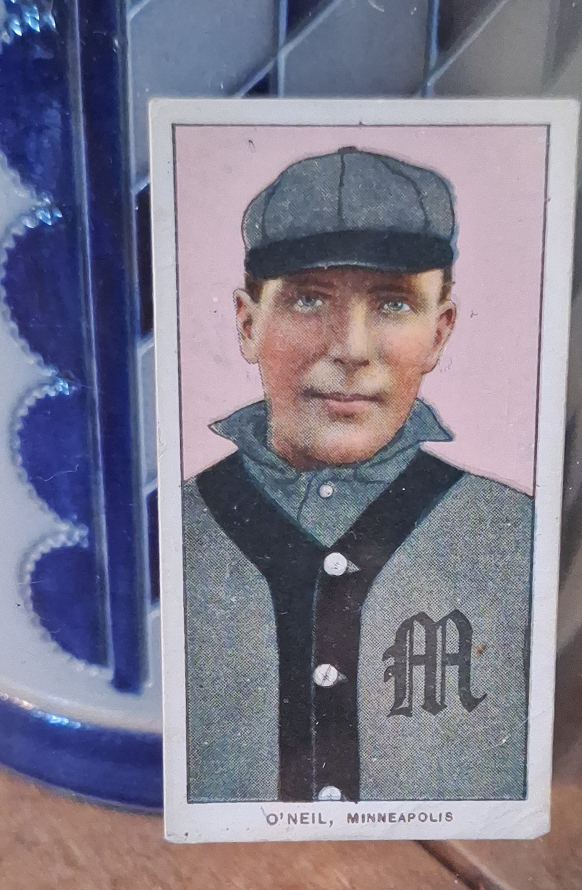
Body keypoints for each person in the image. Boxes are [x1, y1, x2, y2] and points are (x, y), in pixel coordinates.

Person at [182, 147, 533, 803]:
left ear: (439, 332)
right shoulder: (173, 529)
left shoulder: (520, 536)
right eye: (308, 299)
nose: (350, 348)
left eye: (393, 304)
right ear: (248, 324)